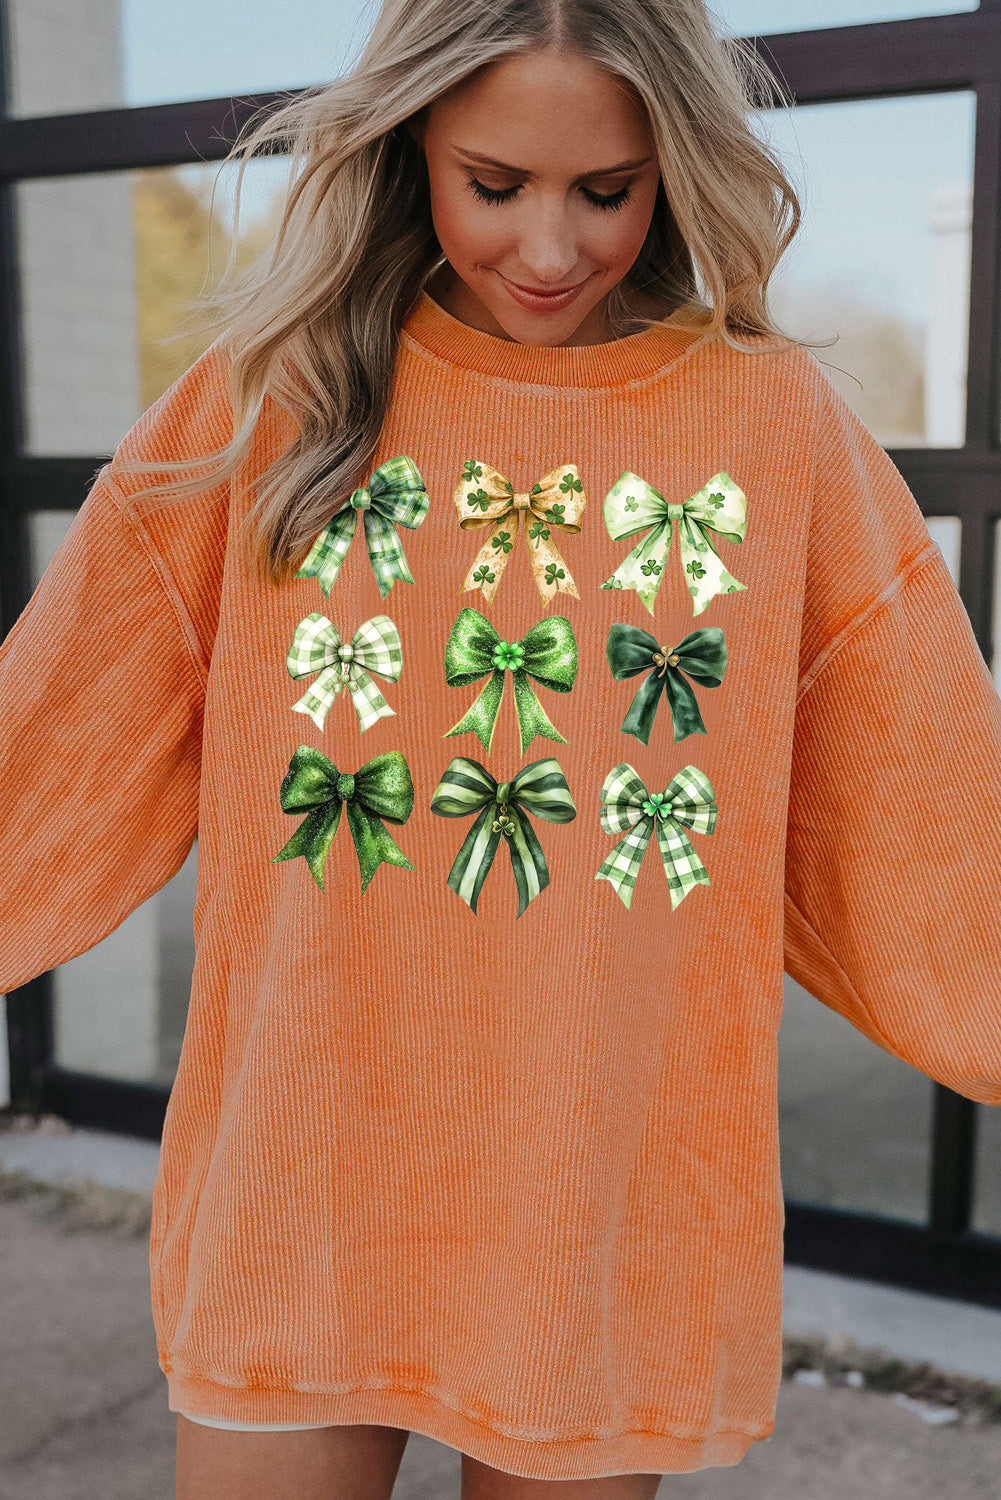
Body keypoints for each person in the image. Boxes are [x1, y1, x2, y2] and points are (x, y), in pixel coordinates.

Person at [2, 1, 1000, 1498]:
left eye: (605, 190)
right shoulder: (279, 398)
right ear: (409, 148)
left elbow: (926, 793)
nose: (548, 248)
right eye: (494, 183)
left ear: (673, 168)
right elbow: (58, 726)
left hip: (603, 1195)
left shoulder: (769, 424)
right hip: (304, 1179)